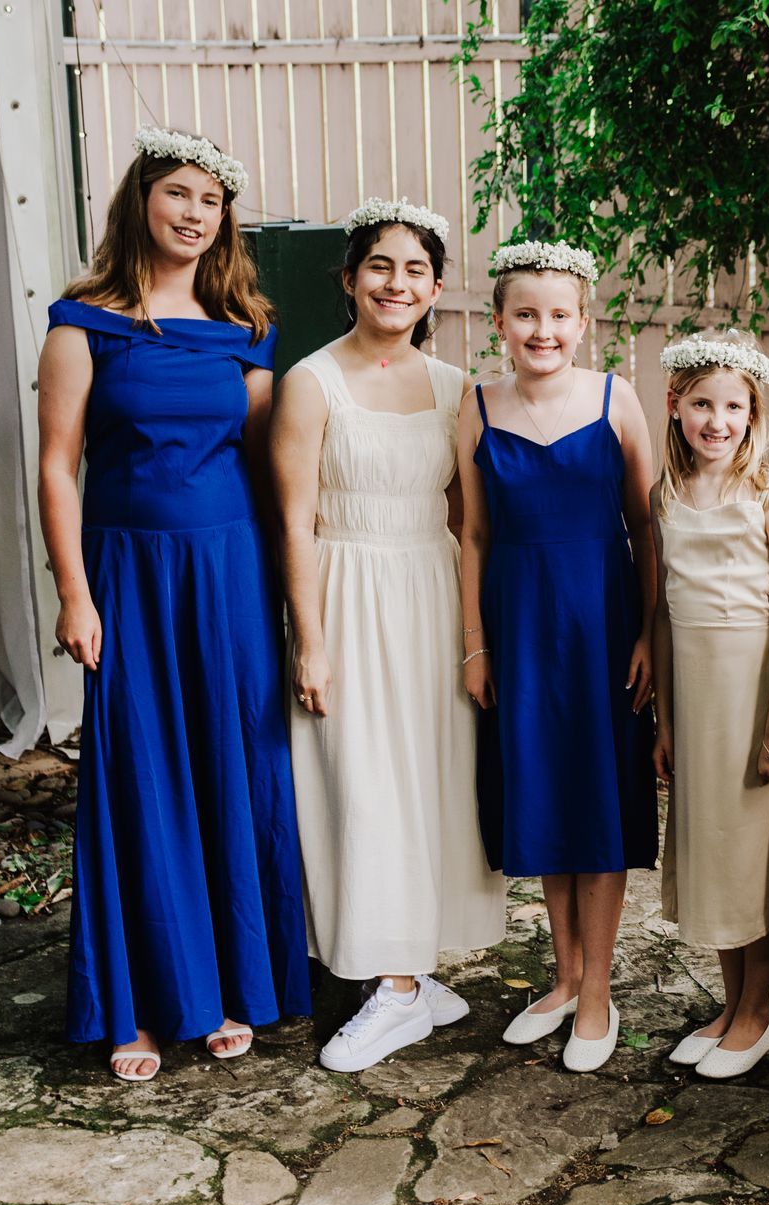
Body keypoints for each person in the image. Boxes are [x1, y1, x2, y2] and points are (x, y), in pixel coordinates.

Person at [37, 126, 309, 1082]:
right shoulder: (84, 322)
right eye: (177, 195)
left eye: (211, 200)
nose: (195, 215)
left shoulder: (248, 329)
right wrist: (74, 592)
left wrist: (296, 599)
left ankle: (236, 985)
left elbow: (278, 472)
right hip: (128, 577)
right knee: (140, 775)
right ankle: (142, 1004)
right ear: (140, 202)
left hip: (231, 573)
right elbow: (57, 468)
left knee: (235, 769)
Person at [270, 198, 507, 1073]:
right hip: (345, 585)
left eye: (414, 270)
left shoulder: (456, 391)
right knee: (358, 781)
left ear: (436, 288)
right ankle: (394, 983)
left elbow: (467, 520)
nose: (395, 283)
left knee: (428, 783)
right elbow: (294, 522)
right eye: (380, 266)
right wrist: (312, 638)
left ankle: (413, 976)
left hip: (430, 590)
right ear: (349, 279)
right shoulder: (310, 381)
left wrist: (475, 636)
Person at [457, 239, 658, 1074]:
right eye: (526, 315)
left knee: (598, 801)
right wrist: (476, 644)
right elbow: (472, 532)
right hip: (521, 621)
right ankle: (564, 974)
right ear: (500, 322)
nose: (544, 330)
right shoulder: (475, 404)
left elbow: (646, 526)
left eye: (560, 315)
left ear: (584, 321)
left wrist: (648, 632)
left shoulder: (617, 398)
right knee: (542, 796)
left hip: (603, 622)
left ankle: (602, 989)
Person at [650, 331, 769, 1079]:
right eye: (702, 405)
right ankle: (729, 1000)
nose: (717, 421)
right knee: (715, 852)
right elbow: (661, 608)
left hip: (751, 687)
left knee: (752, 857)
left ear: (754, 414)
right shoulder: (667, 491)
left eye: (733, 407)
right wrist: (663, 719)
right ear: (675, 406)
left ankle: (758, 1012)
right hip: (694, 685)